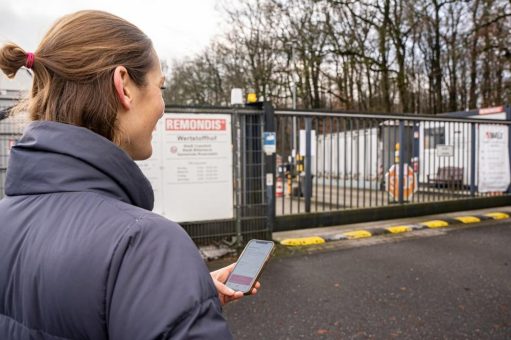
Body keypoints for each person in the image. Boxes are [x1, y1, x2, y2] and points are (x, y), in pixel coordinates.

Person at [0, 10, 257, 340]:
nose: (163, 105)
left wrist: (177, 300)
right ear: (123, 85)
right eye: (160, 86)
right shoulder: (145, 245)